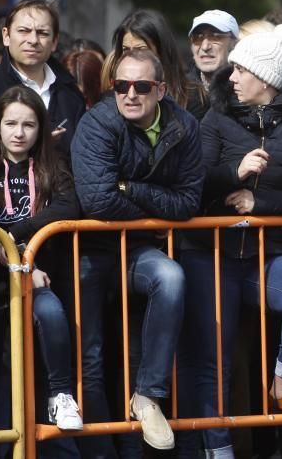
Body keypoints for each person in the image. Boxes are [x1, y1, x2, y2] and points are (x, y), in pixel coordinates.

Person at [179, 34, 282, 457]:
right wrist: (235, 173)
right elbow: (193, 182)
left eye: (242, 70)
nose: (232, 77)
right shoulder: (216, 118)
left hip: (269, 252)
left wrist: (258, 201)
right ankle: (218, 450)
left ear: (266, 79)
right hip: (209, 251)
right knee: (215, 360)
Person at [71, 49, 204, 451]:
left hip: (139, 251)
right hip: (89, 250)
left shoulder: (185, 126)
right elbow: (97, 201)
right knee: (90, 361)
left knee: (171, 277)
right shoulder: (97, 122)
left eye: (141, 86)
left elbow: (188, 204)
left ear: (160, 90)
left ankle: (148, 394)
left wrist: (132, 189)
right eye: (121, 86)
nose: (130, 94)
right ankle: (99, 451)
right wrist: (151, 204)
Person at [0, 86, 83, 456]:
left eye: (29, 124)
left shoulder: (53, 166)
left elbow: (67, 207)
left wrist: (17, 243)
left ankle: (61, 394)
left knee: (51, 313)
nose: (19, 133)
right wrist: (7, 253)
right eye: (10, 123)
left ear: (41, 128)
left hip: (36, 278)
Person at [0, 0, 86, 155]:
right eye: (24, 31)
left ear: (54, 42)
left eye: (42, 33)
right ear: (6, 36)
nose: (33, 40)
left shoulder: (70, 95)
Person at [103, 9, 208, 118]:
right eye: (126, 50)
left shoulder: (192, 97)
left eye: (141, 49)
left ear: (161, 51)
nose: (133, 57)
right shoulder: (112, 100)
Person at [189, 9, 239, 88]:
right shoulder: (176, 92)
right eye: (197, 38)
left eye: (216, 37)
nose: (205, 47)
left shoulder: (248, 94)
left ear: (234, 44)